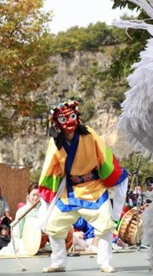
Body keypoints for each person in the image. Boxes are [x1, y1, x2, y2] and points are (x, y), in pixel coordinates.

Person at [38, 100, 128, 273]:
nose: (69, 123)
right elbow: (51, 168)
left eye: (72, 116)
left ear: (77, 117)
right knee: (54, 225)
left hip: (93, 187)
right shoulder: (55, 142)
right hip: (69, 191)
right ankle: (58, 262)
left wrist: (114, 175)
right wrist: (48, 190)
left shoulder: (90, 134)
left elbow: (104, 157)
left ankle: (104, 262)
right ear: (57, 123)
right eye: (63, 119)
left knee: (105, 224)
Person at [0, 182, 41, 255]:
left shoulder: (43, 210)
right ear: (28, 195)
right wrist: (16, 244)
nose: (35, 198)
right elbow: (17, 232)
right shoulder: (22, 211)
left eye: (38, 195)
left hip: (40, 242)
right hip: (26, 242)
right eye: (33, 195)